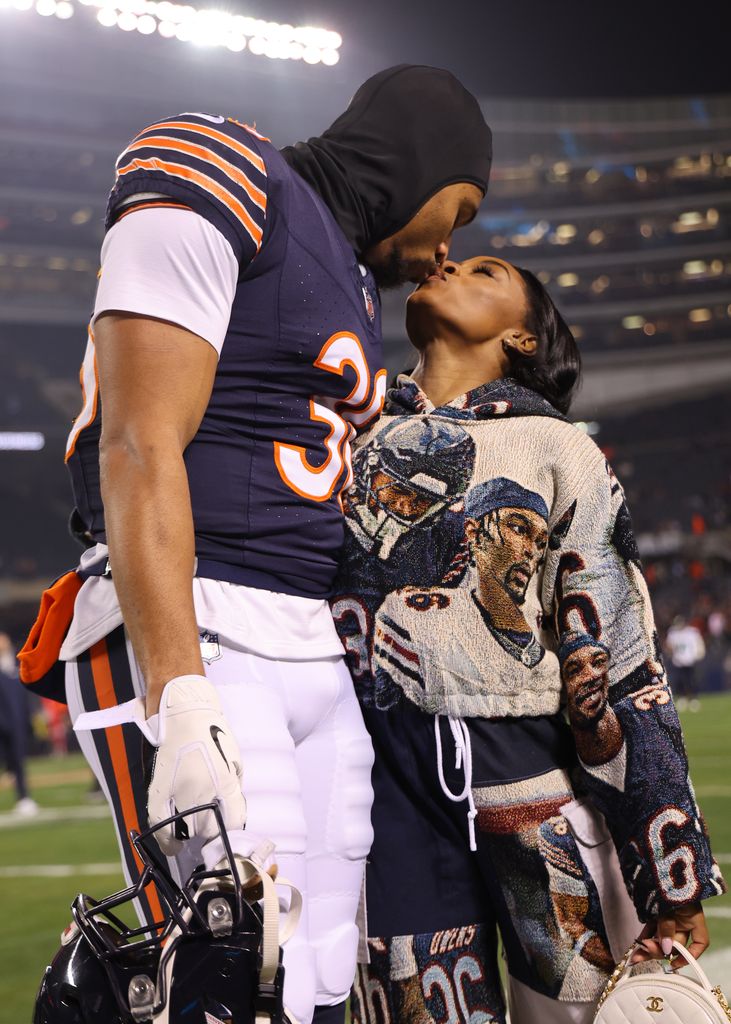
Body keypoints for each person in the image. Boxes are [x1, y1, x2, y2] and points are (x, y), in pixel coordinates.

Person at [18, 66, 492, 1024]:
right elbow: (137, 441)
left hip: (304, 634)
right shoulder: (229, 164)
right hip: (197, 616)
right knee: (226, 976)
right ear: (417, 160)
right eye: (463, 206)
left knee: (318, 978)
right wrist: (180, 693)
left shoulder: (353, 275)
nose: (450, 244)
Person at [331, 255, 725, 1024]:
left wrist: (667, 878)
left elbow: (617, 662)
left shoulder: (556, 447)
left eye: (482, 270)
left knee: (576, 1013)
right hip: (380, 780)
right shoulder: (343, 437)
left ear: (519, 337)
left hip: (527, 775)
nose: (444, 262)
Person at [0, 632, 38, 816]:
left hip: (16, 723)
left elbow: (25, 695)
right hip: (2, 723)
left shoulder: (17, 664)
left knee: (18, 762)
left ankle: (23, 797)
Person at [665, 615, 706, 710]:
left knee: (691, 680)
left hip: (689, 660)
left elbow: (697, 643)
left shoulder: (691, 632)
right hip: (678, 661)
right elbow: (669, 645)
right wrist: (670, 650)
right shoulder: (673, 633)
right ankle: (682, 698)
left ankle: (693, 699)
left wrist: (699, 653)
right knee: (679, 681)